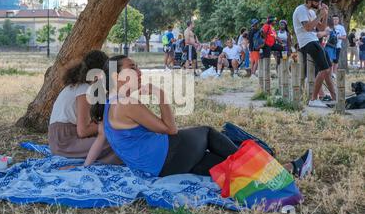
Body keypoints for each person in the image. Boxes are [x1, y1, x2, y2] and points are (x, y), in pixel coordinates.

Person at [73, 55, 313, 180]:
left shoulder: (109, 103)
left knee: (214, 164)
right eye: (132, 67)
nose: (138, 70)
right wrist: (162, 96)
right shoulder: (127, 103)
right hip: (164, 156)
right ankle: (272, 166)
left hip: (157, 167)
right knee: (208, 133)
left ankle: (287, 170)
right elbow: (170, 129)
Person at [48, 50, 121, 165]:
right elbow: (83, 131)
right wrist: (109, 123)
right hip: (65, 142)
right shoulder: (83, 90)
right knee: (115, 141)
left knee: (114, 138)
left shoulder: (83, 87)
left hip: (65, 138)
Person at [292, 0, 337, 108]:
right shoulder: (301, 9)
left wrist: (325, 15)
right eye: (317, 1)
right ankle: (313, 99)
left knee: (328, 68)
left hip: (314, 40)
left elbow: (321, 27)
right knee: (324, 69)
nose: (319, 2)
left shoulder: (311, 12)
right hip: (307, 42)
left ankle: (335, 97)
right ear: (310, 1)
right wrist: (320, 15)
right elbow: (307, 27)